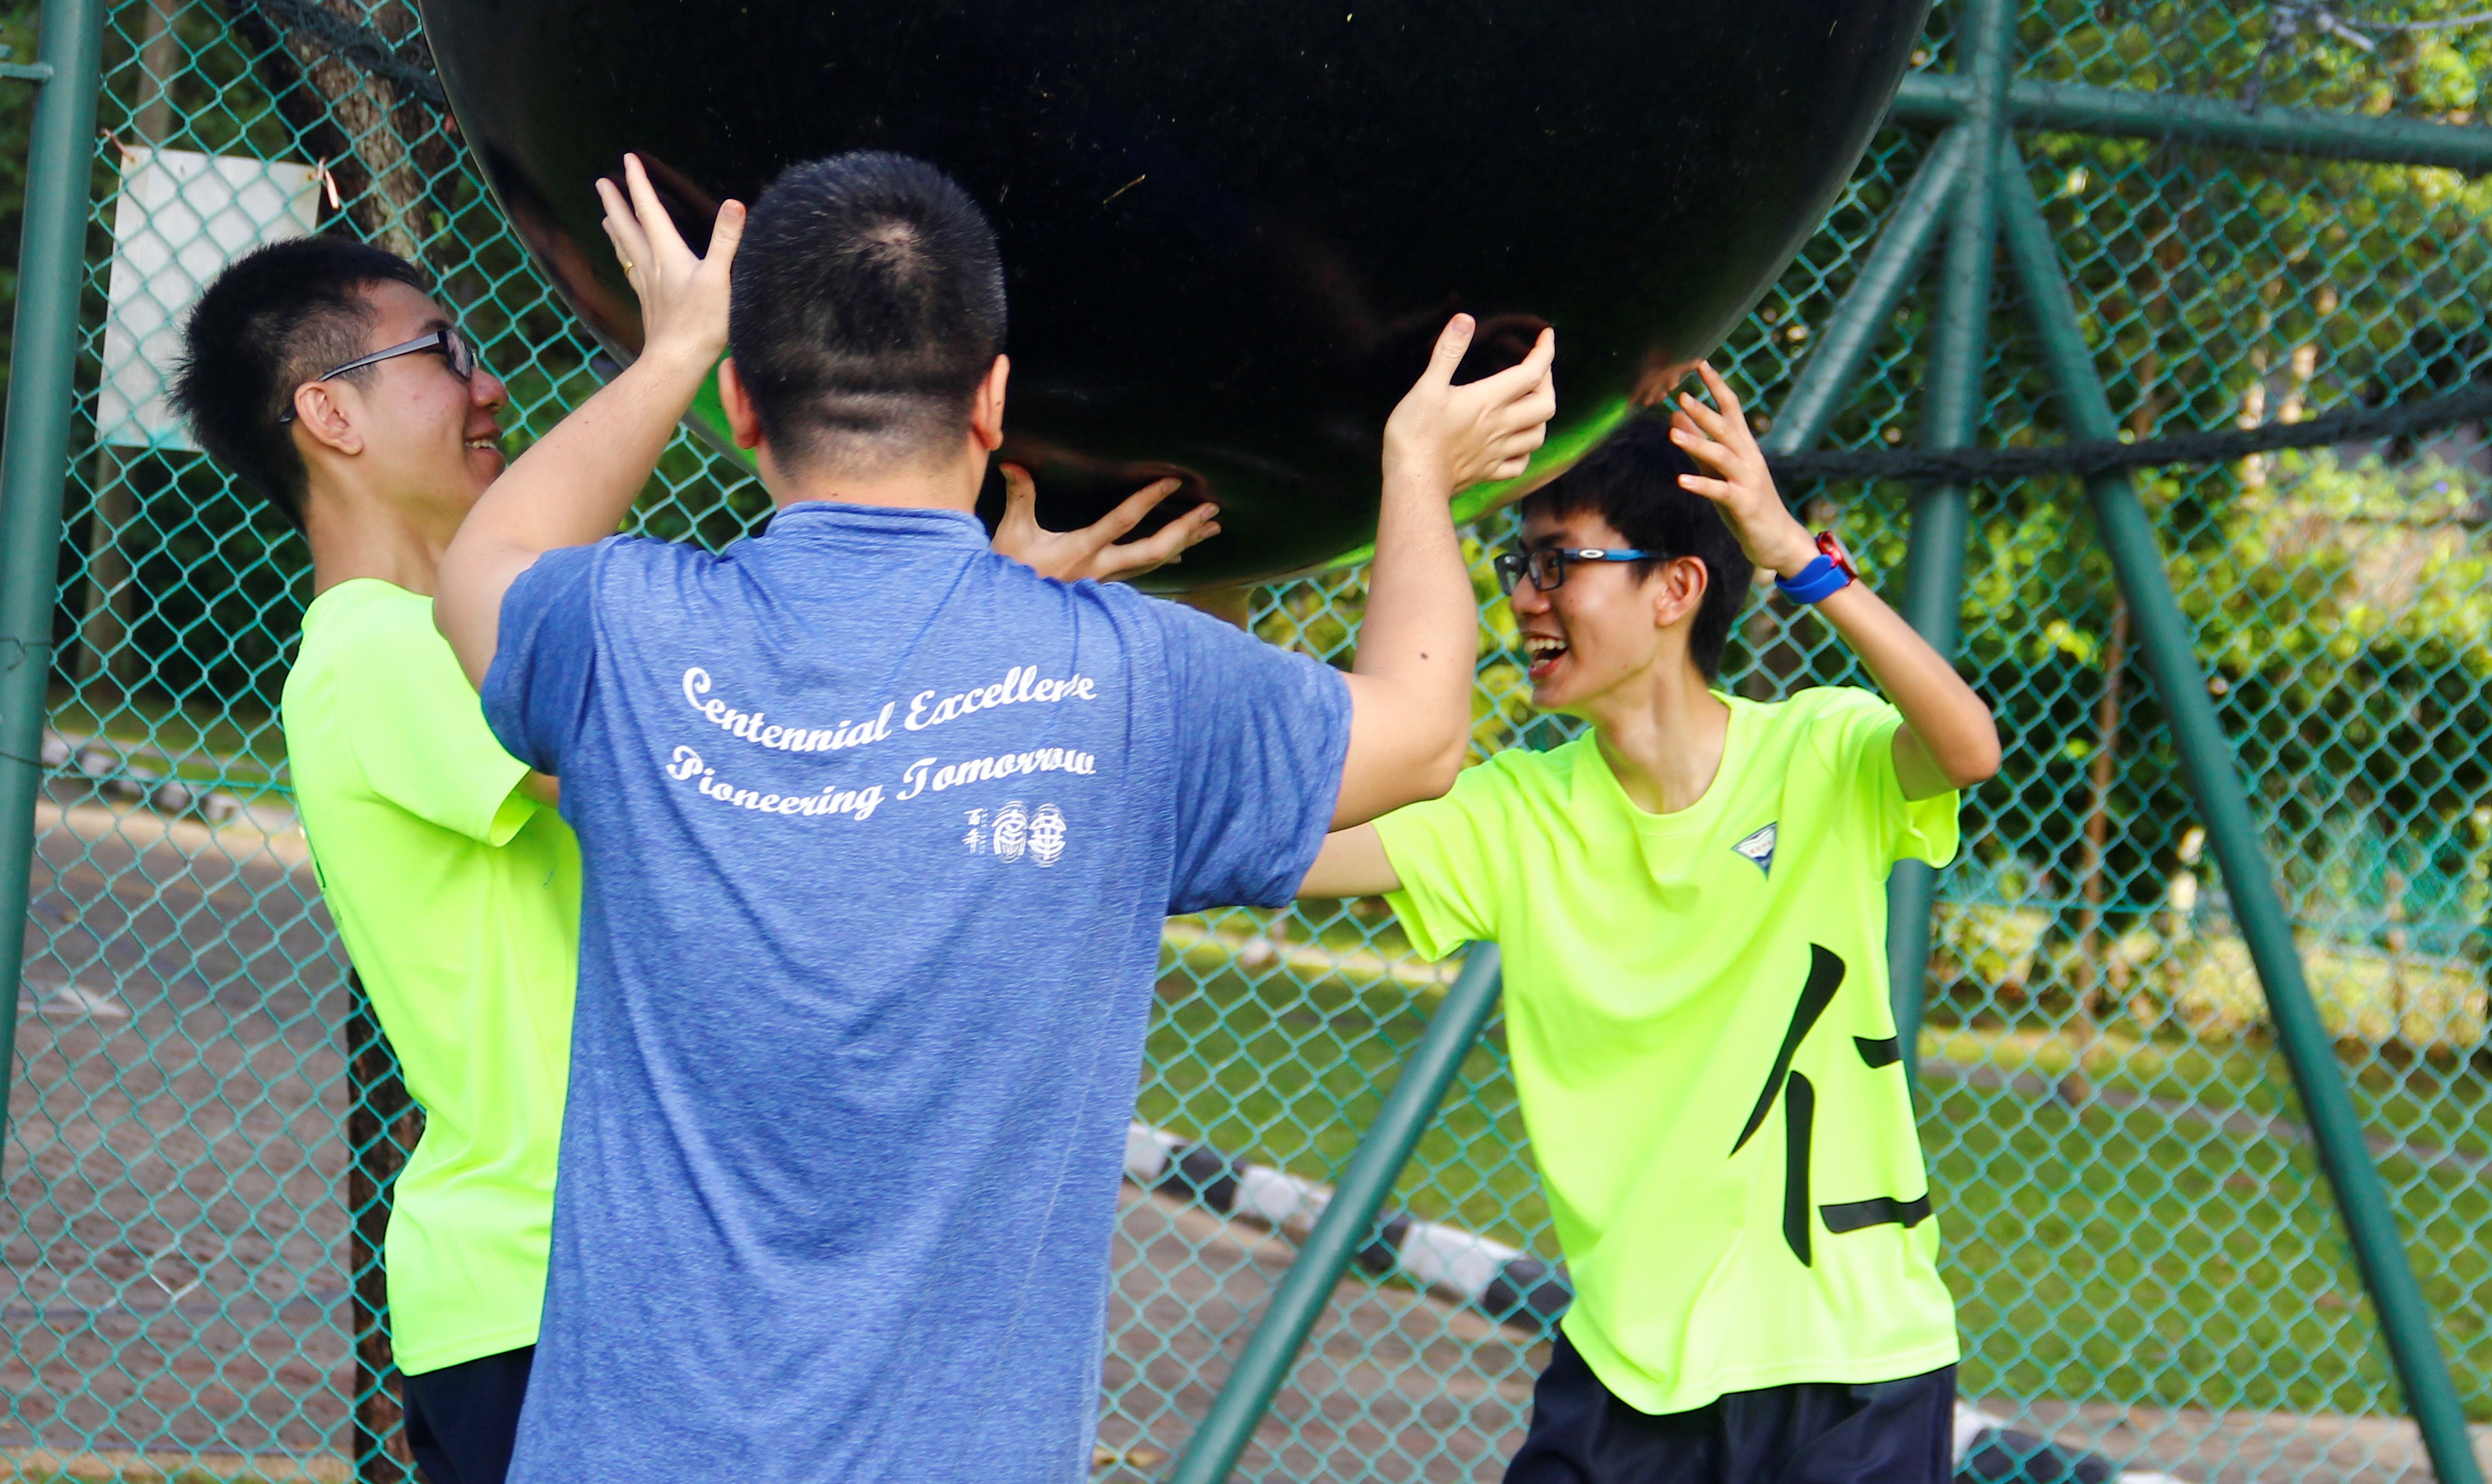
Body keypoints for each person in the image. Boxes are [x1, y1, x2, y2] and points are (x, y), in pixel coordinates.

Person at [430, 149, 1558, 1482]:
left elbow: (485, 565)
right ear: (994, 401)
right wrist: (1416, 470)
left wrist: (672, 342)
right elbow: (1422, 729)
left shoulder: (621, 635)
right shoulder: (1122, 678)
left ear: (743, 400)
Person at [1300, 367, 2005, 1484]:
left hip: (1848, 1365)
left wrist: (1801, 560)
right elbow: (1287, 835)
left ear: (1677, 587)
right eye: (1516, 564)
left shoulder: (1820, 754)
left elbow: (1967, 745)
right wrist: (1231, 576)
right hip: (1628, 1370)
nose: (1526, 596)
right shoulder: (1516, 810)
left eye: (1558, 562)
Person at [170, 238, 578, 1484]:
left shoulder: (455, 634)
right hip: (533, 1283)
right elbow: (688, 767)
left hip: (584, 1272)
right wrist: (675, 357)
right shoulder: (372, 651)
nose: (488, 384)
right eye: (444, 353)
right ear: (330, 413)